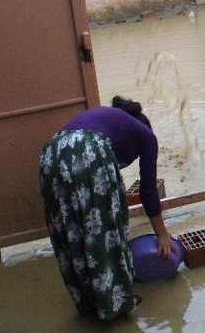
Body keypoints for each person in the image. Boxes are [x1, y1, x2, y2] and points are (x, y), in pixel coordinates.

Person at [39, 96, 172, 320]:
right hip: (89, 151)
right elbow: (148, 190)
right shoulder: (146, 135)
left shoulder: (106, 118)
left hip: (51, 154)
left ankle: (89, 303)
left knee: (71, 229)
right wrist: (162, 234)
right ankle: (115, 304)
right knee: (107, 223)